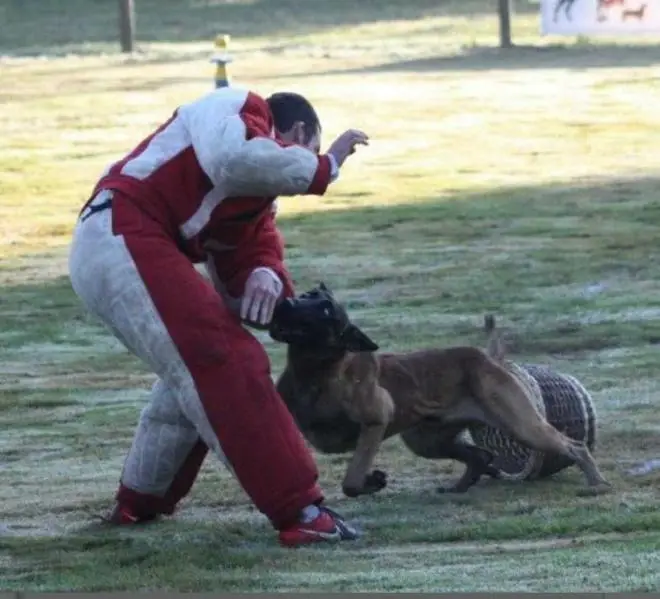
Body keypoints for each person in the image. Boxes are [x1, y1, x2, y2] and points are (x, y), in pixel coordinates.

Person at [67, 86, 369, 547]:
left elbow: (245, 266)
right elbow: (235, 158)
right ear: (298, 132)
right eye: (302, 152)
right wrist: (323, 166)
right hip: (122, 229)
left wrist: (267, 279)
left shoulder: (253, 197)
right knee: (224, 360)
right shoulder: (236, 106)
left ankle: (140, 500)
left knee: (192, 368)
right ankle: (299, 509)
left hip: (121, 239)